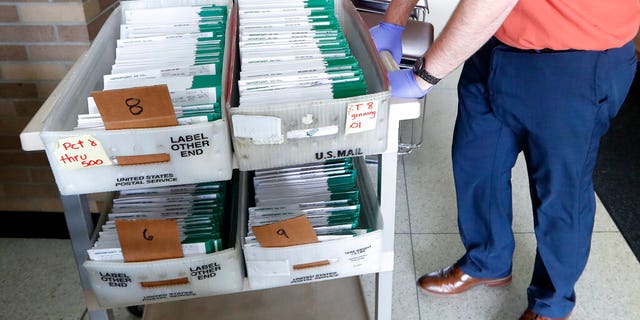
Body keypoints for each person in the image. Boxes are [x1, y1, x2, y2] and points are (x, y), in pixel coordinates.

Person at [369, 1, 640, 319]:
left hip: (574, 60)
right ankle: (487, 261)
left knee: (560, 192)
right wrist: (394, 21)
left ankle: (551, 303)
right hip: (492, 41)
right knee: (476, 161)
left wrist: (423, 75)